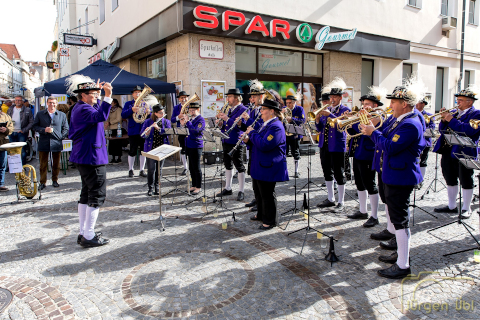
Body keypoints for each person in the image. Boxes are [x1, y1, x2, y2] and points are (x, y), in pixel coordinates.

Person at [360, 80, 426, 279]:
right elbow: (383, 132)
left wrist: (373, 132)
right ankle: (400, 256)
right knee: (397, 218)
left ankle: (403, 265)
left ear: (404, 103)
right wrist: (371, 126)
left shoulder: (411, 124)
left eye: (393, 102)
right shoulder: (398, 119)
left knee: (400, 221)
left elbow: (389, 146)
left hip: (401, 176)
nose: (389, 106)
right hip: (392, 173)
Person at [66, 74, 112, 248]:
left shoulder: (83, 106)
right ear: (83, 95)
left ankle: (84, 232)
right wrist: (107, 95)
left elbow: (99, 111)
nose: (95, 95)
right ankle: (89, 235)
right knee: (96, 195)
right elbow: (101, 116)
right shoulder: (84, 109)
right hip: (91, 157)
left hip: (85, 156)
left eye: (96, 93)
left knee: (86, 194)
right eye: (92, 93)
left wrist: (100, 96)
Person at [432, 86, 480, 219]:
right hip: (448, 150)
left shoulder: (476, 114)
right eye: (457, 100)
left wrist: (450, 119)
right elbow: (442, 131)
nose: (457, 103)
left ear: (469, 102)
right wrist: (443, 120)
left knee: (466, 178)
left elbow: (468, 130)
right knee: (449, 177)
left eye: (460, 100)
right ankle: (451, 206)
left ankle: (466, 208)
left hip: (465, 151)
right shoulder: (455, 113)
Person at [346, 87, 386, 228]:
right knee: (359, 183)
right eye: (363, 104)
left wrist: (357, 121)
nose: (364, 106)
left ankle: (374, 216)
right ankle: (362, 210)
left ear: (375, 105)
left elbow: (364, 130)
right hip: (358, 152)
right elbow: (352, 131)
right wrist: (348, 122)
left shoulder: (378, 117)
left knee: (370, 184)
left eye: (367, 104)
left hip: (369, 154)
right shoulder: (364, 115)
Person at [246, 99, 289, 230]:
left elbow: (265, 144)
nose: (261, 112)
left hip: (268, 165)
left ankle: (270, 220)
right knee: (258, 192)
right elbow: (257, 141)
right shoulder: (265, 124)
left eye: (263, 109)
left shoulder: (276, 126)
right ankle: (261, 214)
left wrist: (252, 133)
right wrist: (248, 139)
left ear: (271, 111)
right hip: (259, 164)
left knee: (267, 194)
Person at [315, 78, 350, 213]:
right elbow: (319, 128)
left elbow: (342, 125)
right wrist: (317, 119)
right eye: (331, 97)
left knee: (339, 172)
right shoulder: (326, 109)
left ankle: (341, 201)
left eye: (335, 97)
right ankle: (330, 198)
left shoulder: (345, 110)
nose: (333, 99)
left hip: (337, 146)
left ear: (340, 98)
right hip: (325, 145)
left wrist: (330, 115)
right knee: (327, 172)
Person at [216, 88, 248, 201]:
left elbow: (241, 125)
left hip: (235, 141)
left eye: (229, 97)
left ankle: (241, 190)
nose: (227, 99)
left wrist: (227, 118)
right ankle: (228, 187)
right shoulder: (229, 109)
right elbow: (227, 124)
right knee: (227, 164)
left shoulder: (243, 109)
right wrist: (220, 123)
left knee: (239, 165)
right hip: (226, 140)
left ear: (236, 98)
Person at [32, 96, 69, 190]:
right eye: (49, 102)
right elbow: (34, 126)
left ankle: (55, 180)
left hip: (56, 142)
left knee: (56, 164)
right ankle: (42, 182)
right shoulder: (40, 114)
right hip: (44, 142)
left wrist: (61, 137)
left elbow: (66, 128)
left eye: (53, 103)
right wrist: (44, 130)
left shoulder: (61, 115)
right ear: (46, 103)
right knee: (43, 164)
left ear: (56, 104)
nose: (51, 104)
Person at [141, 104, 171, 196]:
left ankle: (157, 187)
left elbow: (168, 133)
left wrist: (158, 128)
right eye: (160, 113)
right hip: (151, 148)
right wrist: (147, 132)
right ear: (155, 113)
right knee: (151, 169)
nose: (163, 114)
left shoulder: (166, 122)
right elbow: (142, 135)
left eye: (163, 112)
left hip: (162, 148)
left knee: (159, 169)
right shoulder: (148, 122)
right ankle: (150, 188)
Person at [121, 85, 148, 178]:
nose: (138, 94)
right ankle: (130, 169)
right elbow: (123, 115)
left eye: (139, 92)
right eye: (136, 92)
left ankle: (142, 170)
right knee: (132, 150)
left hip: (143, 129)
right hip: (133, 130)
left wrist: (149, 112)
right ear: (132, 94)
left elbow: (151, 116)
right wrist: (131, 110)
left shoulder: (145, 104)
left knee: (143, 151)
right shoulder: (128, 104)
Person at [180, 102, 205, 195]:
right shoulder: (192, 119)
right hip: (189, 145)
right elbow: (187, 130)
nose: (191, 112)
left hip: (196, 145)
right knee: (191, 166)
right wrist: (183, 124)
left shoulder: (201, 120)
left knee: (196, 167)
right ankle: (194, 184)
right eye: (190, 110)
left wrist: (188, 122)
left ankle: (198, 186)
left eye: (193, 110)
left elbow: (195, 131)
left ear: (198, 110)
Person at [7, 95, 34, 164]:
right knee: (12, 150)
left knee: (22, 150)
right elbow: (7, 119)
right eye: (16, 100)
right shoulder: (10, 109)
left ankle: (22, 166)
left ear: (22, 101)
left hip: (21, 132)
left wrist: (24, 130)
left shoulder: (27, 110)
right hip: (11, 132)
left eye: (19, 100)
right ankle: (13, 166)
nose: (17, 101)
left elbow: (31, 122)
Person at [284, 94, 306, 178]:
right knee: (284, 152)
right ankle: (284, 170)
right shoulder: (285, 109)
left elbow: (302, 121)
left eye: (289, 103)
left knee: (295, 152)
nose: (288, 105)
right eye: (287, 103)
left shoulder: (299, 109)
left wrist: (292, 119)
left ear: (294, 102)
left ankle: (296, 171)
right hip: (286, 133)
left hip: (295, 134)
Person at [170, 91, 190, 175]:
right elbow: (172, 119)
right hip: (181, 130)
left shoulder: (191, 106)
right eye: (182, 97)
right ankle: (185, 167)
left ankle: (191, 166)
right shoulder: (176, 108)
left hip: (190, 130)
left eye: (185, 97)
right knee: (183, 148)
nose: (183, 99)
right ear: (179, 99)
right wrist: (179, 117)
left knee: (190, 148)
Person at [416, 98, 435, 182]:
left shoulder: (429, 115)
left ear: (423, 104)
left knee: (423, 161)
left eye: (418, 102)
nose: (416, 104)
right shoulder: (412, 114)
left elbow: (432, 128)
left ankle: (421, 180)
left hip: (425, 142)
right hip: (415, 141)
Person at [0, 108, 14, 192]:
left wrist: (6, 130)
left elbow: (11, 128)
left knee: (2, 165)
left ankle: (1, 184)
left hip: (3, 144)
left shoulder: (6, 117)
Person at [106, 98, 123, 164]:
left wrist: (110, 122)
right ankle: (113, 158)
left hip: (117, 128)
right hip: (111, 128)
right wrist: (107, 123)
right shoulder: (110, 110)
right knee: (112, 144)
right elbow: (108, 118)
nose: (111, 104)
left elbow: (118, 119)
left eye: (112, 102)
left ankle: (119, 158)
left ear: (115, 103)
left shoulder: (118, 109)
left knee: (118, 143)